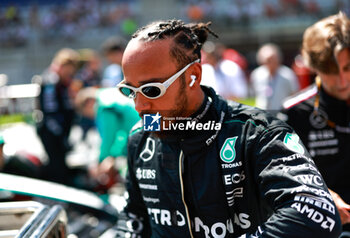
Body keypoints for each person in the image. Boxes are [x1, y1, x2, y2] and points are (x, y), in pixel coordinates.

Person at [114, 19, 341, 237]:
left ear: (193, 76)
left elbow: (317, 211)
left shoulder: (257, 132)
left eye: (152, 90)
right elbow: (134, 217)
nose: (139, 105)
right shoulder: (140, 136)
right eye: (129, 91)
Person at [280, 12, 350, 235]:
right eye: (330, 70)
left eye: (347, 68)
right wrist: (323, 195)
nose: (342, 80)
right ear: (314, 67)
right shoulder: (294, 112)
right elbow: (284, 174)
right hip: (326, 225)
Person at [75, 87, 139, 190]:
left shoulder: (104, 107)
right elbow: (121, 135)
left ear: (89, 103)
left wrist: (101, 161)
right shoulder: (109, 93)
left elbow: (108, 138)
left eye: (88, 113)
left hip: (143, 133)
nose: (93, 117)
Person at [36, 48, 80, 185]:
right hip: (52, 132)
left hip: (60, 131)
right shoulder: (50, 81)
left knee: (61, 165)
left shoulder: (64, 82)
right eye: (68, 70)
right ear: (61, 66)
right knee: (57, 167)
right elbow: (50, 112)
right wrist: (60, 135)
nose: (70, 74)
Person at [250, 43, 299, 111]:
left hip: (282, 113)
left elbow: (294, 94)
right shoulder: (257, 74)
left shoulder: (287, 74)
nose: (270, 62)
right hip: (262, 113)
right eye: (267, 60)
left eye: (272, 59)